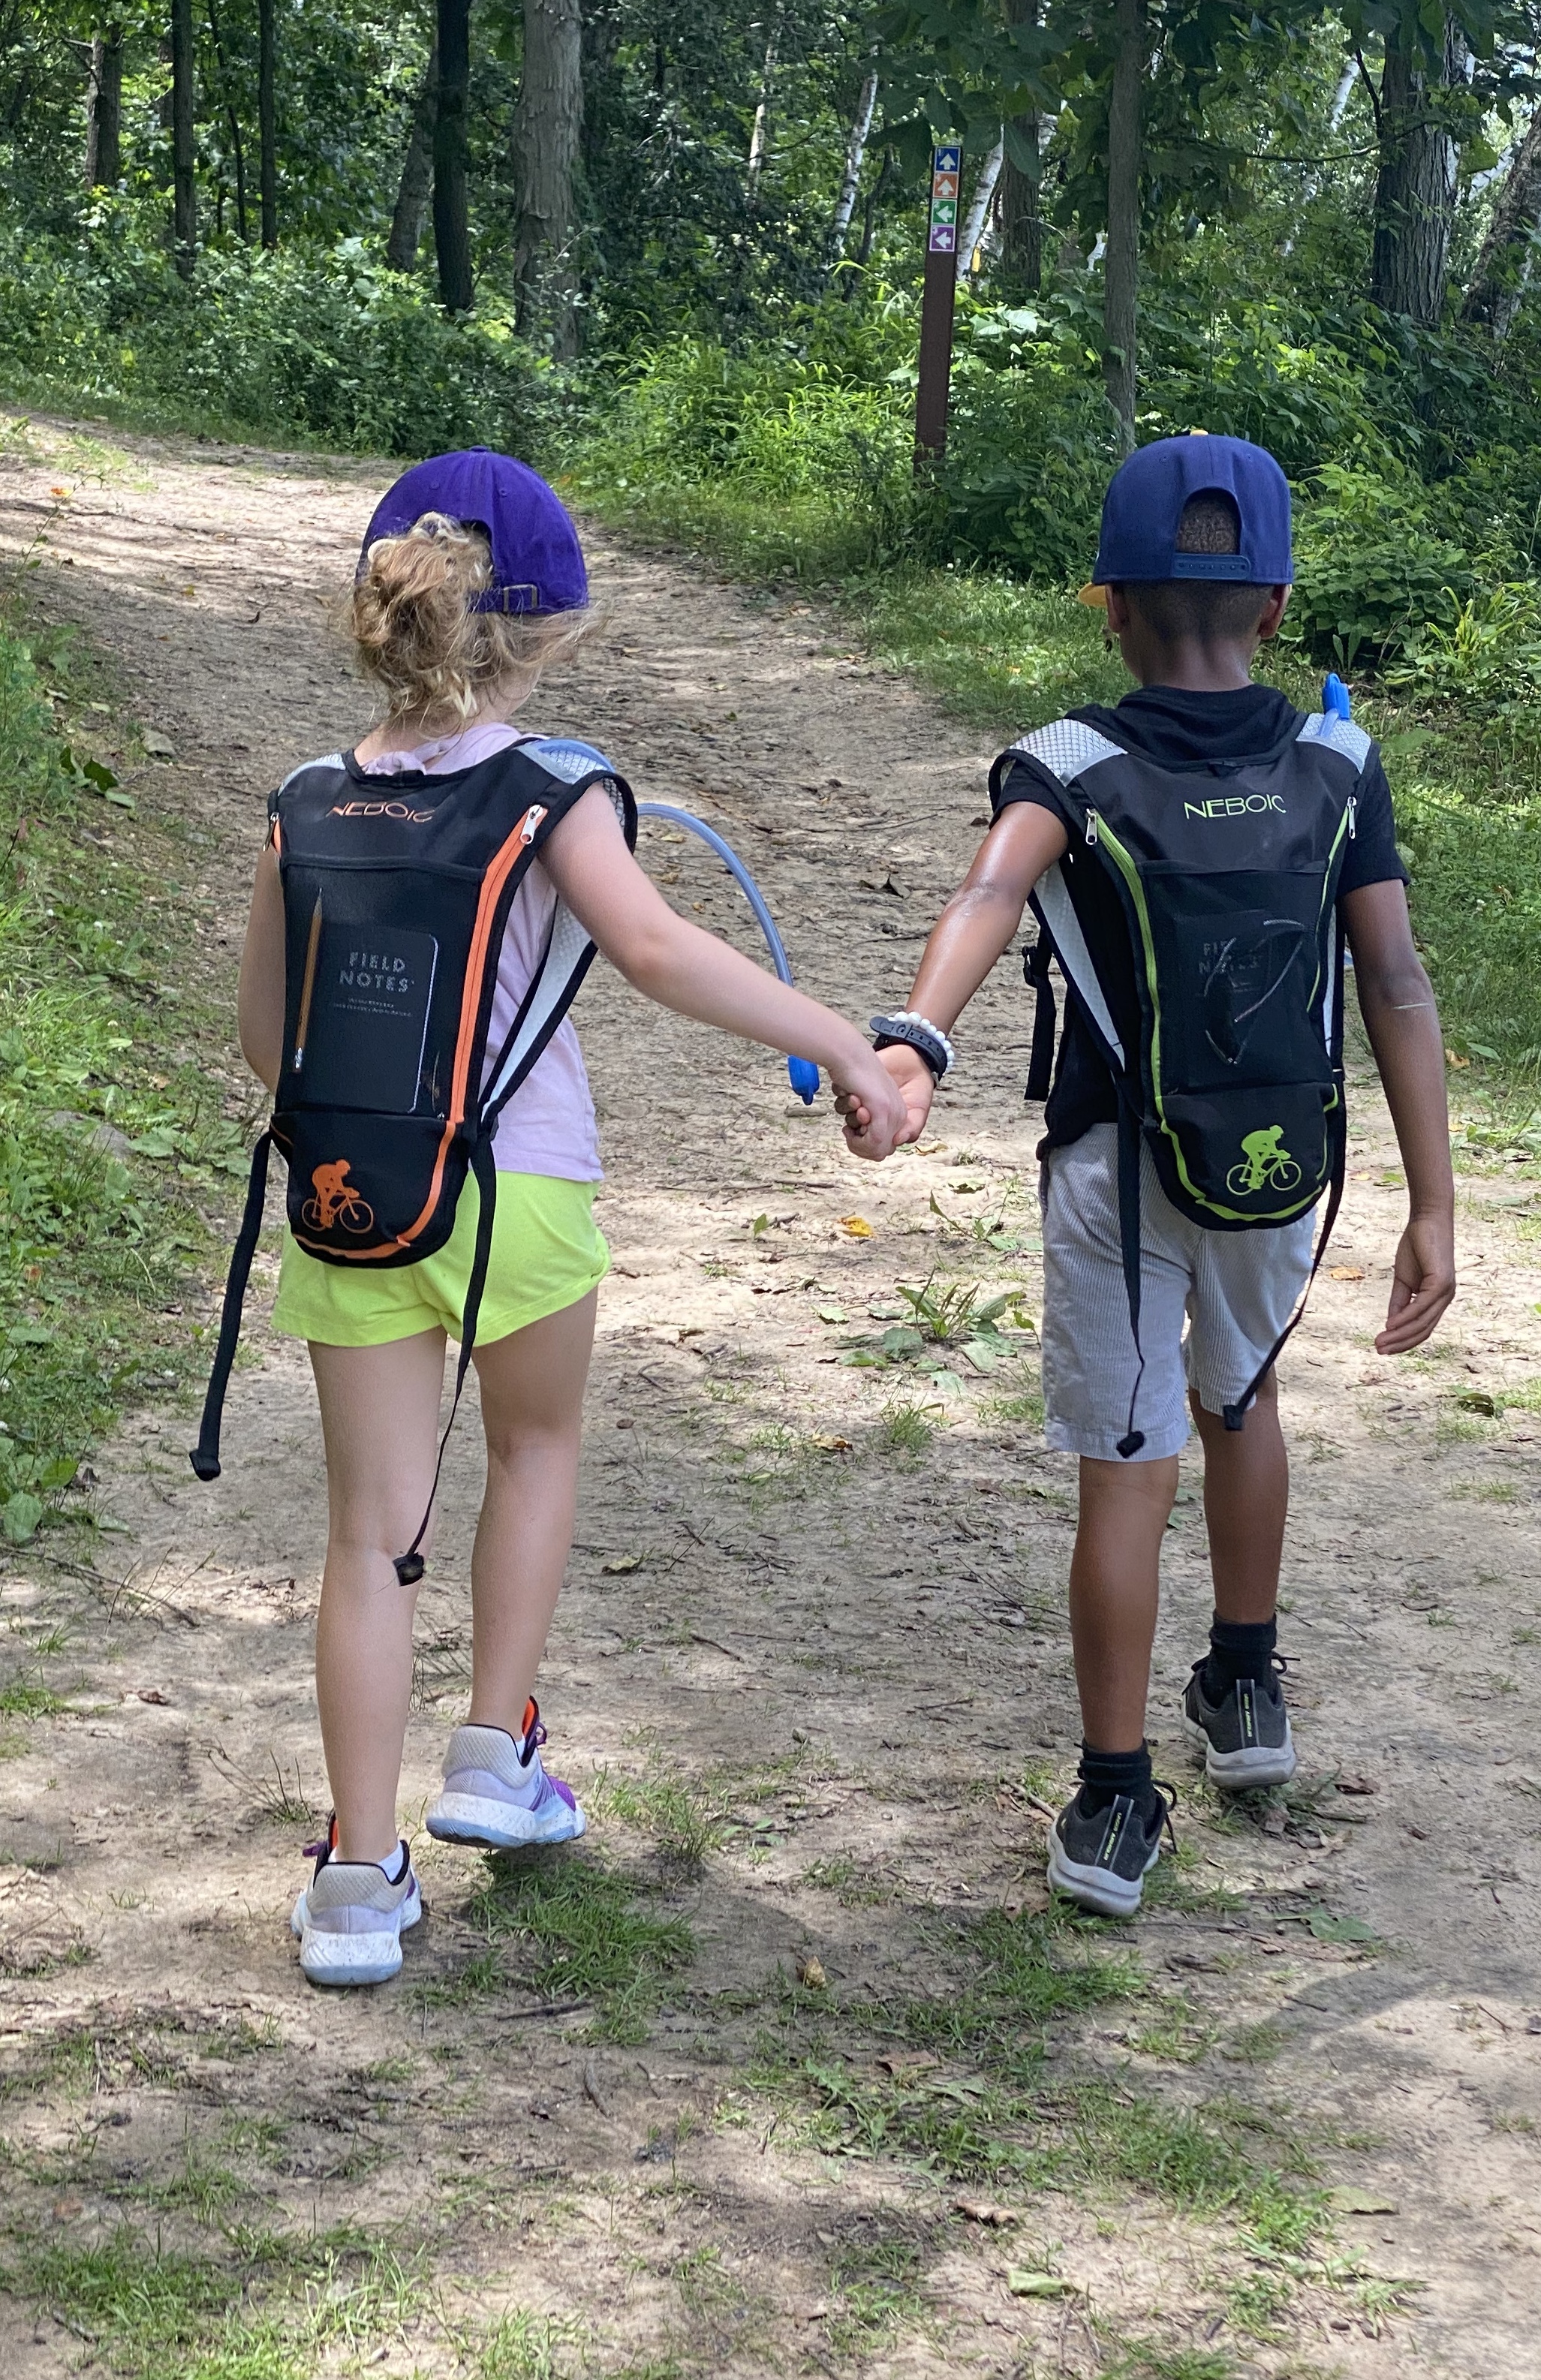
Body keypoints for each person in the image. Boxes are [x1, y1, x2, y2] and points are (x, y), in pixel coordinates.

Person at [236, 450, 905, 1987]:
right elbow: (656, 951)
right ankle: (493, 1751)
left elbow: (266, 1037)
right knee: (534, 1448)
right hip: (521, 1188)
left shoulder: (303, 801)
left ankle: (355, 1881)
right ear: (546, 631)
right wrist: (844, 1045)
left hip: (356, 1196)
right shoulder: (553, 788)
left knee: (368, 1535)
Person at [842, 434, 1455, 1918]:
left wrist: (916, 1042)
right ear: (1277, 604)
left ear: (1107, 603)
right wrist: (1434, 1200)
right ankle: (1244, 1685)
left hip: (1116, 1168)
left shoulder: (1067, 765)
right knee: (1241, 1397)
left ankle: (1115, 1800)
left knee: (1126, 1470)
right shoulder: (1338, 764)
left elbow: (990, 888)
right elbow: (1394, 978)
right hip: (1276, 1159)